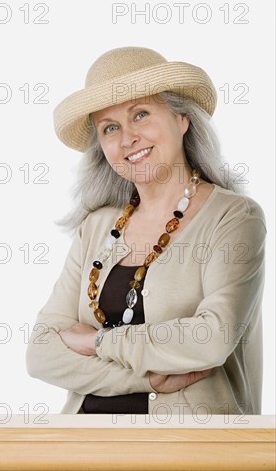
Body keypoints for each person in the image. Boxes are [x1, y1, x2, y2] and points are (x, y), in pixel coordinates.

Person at [26, 46, 266, 415]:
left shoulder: (233, 218)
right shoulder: (97, 226)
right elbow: (41, 353)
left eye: (140, 114)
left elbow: (211, 338)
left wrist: (98, 342)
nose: (127, 139)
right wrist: (145, 379)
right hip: (83, 448)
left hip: (194, 451)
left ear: (182, 118)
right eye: (110, 128)